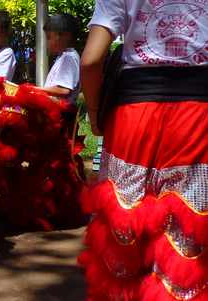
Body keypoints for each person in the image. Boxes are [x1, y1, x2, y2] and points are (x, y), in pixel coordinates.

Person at [78, 0, 208, 299]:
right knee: (184, 244)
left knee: (124, 233)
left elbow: (90, 61)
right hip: (198, 116)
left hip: (132, 115)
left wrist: (96, 113)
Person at [37, 14, 81, 136]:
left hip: (62, 116)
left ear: (64, 36)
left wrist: (36, 90)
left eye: (49, 37)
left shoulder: (69, 57)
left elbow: (63, 90)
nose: (47, 42)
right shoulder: (63, 56)